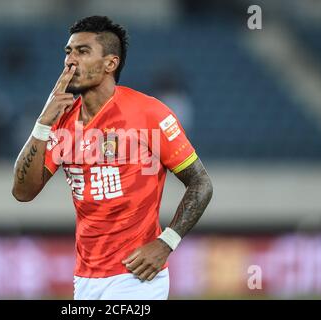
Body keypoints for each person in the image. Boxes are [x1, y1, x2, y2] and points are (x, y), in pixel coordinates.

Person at [12, 16, 213, 300]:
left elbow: (201, 183)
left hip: (137, 276)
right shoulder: (60, 121)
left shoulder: (149, 113)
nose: (71, 61)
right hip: (85, 278)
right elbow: (22, 192)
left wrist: (166, 242)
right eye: (68, 52)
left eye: (83, 52)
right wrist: (43, 123)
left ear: (110, 63)